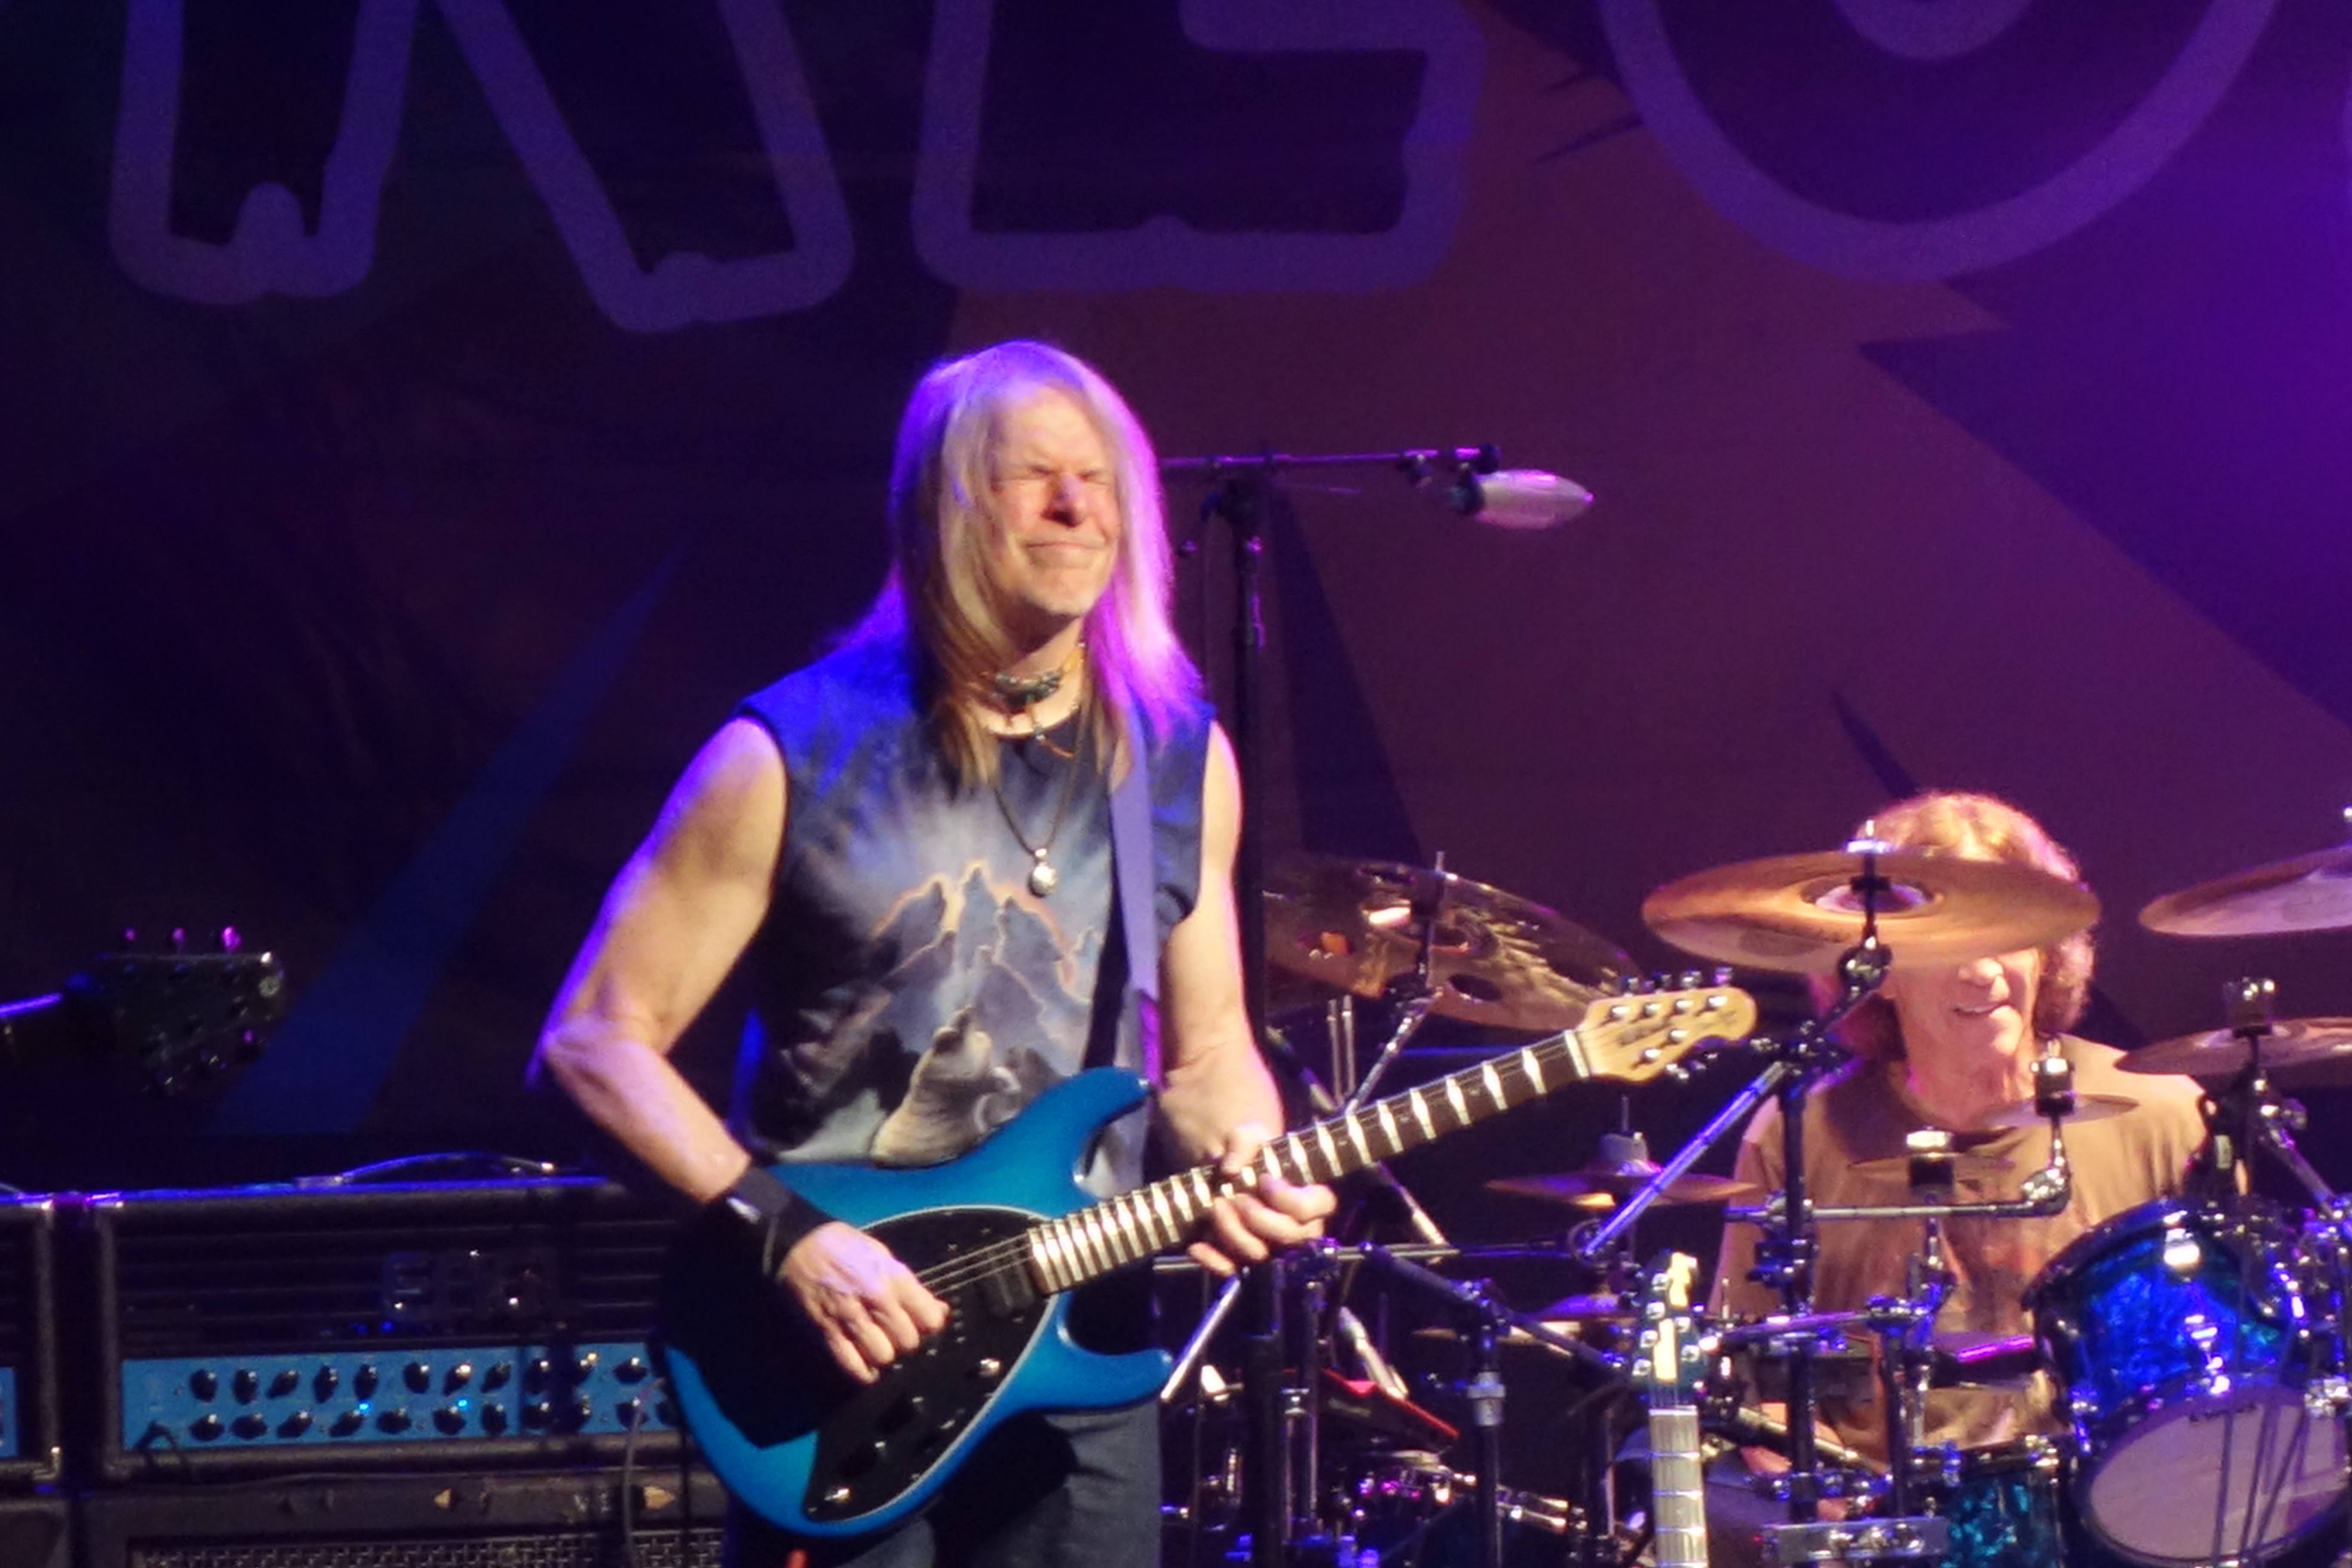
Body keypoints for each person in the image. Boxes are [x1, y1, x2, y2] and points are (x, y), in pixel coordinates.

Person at [531, 339, 1335, 1568]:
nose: (1076, 509)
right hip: (844, 1355)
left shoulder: (1174, 756)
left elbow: (1208, 1048)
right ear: (943, 506)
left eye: (1101, 480)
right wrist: (790, 1239)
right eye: (1033, 478)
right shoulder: (792, 750)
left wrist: (1245, 1154)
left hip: (1080, 1347)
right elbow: (593, 1044)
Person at [1709, 791, 2210, 1477]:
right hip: (1883, 1515)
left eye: (2007, 936)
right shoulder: (1798, 1135)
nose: (1982, 972)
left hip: (2113, 1503)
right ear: (1878, 974)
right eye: (1950, 943)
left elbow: (2228, 1369)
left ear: (2048, 953)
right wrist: (1851, 1508)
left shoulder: (2163, 1113)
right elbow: (1758, 1391)